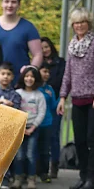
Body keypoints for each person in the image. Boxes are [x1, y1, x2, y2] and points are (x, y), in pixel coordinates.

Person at [57, 7, 94, 189]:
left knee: (92, 139)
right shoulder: (72, 46)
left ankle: (92, 178)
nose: (79, 26)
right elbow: (68, 74)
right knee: (79, 139)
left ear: (89, 23)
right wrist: (63, 97)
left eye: (82, 22)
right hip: (77, 98)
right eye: (76, 23)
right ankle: (82, 175)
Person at [0, 0, 43, 86]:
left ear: (19, 4)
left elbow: (38, 54)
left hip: (19, 83)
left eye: (13, 2)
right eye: (6, 1)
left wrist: (30, 71)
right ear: (2, 3)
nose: (9, 5)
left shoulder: (28, 27)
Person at [12, 66, 46, 189]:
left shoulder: (39, 95)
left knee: (31, 154)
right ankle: (18, 178)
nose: (29, 79)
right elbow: (14, 111)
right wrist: (20, 128)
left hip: (33, 128)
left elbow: (41, 112)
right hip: (19, 128)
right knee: (19, 155)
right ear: (23, 78)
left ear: (36, 79)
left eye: (32, 76)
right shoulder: (17, 93)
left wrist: (33, 128)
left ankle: (32, 179)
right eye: (27, 76)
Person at [0, 62, 21, 189]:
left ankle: (5, 179)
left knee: (6, 155)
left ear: (12, 77)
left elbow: (18, 112)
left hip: (7, 129)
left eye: (8, 74)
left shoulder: (15, 95)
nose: (5, 77)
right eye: (3, 74)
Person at [41, 36, 66, 178]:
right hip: (41, 101)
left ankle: (54, 165)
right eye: (42, 47)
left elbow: (62, 81)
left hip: (55, 101)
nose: (45, 50)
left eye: (46, 46)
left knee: (54, 135)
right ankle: (41, 166)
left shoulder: (60, 63)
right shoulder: (39, 64)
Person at [37, 63, 57, 183]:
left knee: (45, 149)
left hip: (47, 122)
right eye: (44, 71)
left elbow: (54, 105)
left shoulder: (49, 89)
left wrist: (62, 98)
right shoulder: (34, 88)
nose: (46, 74)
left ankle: (44, 172)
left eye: (48, 72)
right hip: (34, 122)